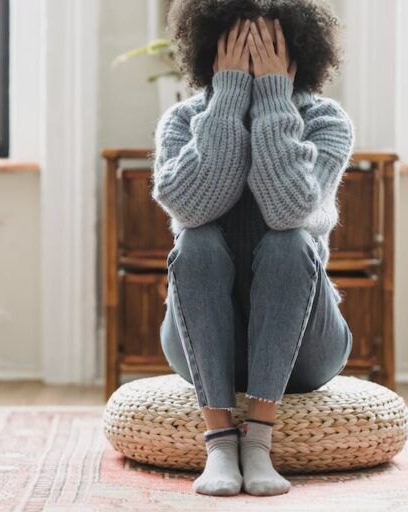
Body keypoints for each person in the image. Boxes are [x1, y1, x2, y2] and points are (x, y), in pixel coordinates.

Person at [151, 0, 355, 497]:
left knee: (288, 241)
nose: (252, 55)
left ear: (297, 52)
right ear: (212, 50)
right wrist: (228, 100)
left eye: (267, 46)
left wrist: (273, 99)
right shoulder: (182, 120)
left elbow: (289, 210)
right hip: (200, 343)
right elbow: (193, 207)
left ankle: (258, 440)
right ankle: (220, 440)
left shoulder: (326, 121)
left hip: (306, 348)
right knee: (196, 240)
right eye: (239, 44)